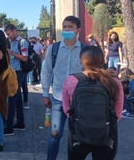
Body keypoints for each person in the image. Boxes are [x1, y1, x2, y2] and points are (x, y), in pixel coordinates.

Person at [62, 46, 123, 160]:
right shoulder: (113, 82)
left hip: (78, 134)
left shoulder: (71, 80)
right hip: (106, 136)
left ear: (81, 61)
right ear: (102, 61)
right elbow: (118, 114)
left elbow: (67, 109)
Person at [41, 15, 85, 160]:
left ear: (78, 30)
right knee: (54, 134)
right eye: (64, 26)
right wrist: (45, 93)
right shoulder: (53, 49)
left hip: (78, 101)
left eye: (70, 27)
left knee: (77, 138)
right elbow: (46, 71)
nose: (66, 30)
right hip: (58, 100)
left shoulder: (85, 50)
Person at [3, 24, 27, 135]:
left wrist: (11, 52)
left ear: (14, 31)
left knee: (12, 97)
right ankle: (20, 123)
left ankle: (9, 127)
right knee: (17, 99)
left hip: (19, 71)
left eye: (9, 34)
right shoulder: (12, 42)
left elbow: (24, 58)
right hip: (13, 72)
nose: (8, 36)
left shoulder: (22, 42)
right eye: (7, 34)